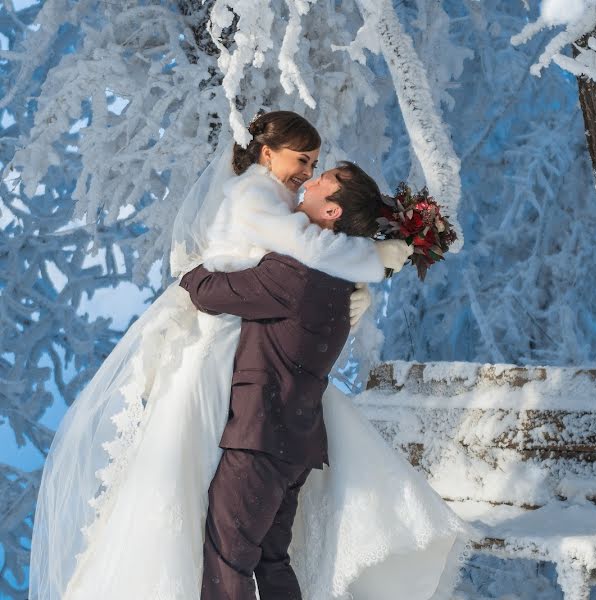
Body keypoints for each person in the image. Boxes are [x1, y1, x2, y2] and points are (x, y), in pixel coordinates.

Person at [30, 111, 471, 600]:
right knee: (269, 560)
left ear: (332, 214)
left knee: (227, 561)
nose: (311, 179)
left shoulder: (294, 277)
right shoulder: (338, 286)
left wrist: (192, 269)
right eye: (310, 165)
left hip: (260, 438)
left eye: (323, 176)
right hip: (295, 444)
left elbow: (206, 291)